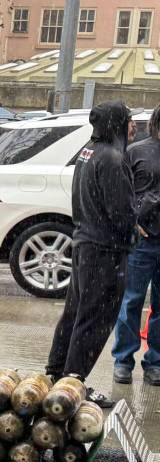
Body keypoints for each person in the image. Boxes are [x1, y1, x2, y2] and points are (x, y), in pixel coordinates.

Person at [46, 100, 137, 404]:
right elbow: (121, 212)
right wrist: (132, 231)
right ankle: (73, 384)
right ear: (116, 123)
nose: (133, 126)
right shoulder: (112, 158)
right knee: (95, 320)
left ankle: (57, 373)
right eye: (129, 120)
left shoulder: (89, 150)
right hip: (105, 250)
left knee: (75, 314)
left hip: (85, 242)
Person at [113, 105, 160, 386]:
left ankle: (155, 362)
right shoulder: (137, 151)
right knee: (131, 301)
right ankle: (123, 361)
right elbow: (120, 193)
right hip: (142, 241)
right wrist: (130, 223)